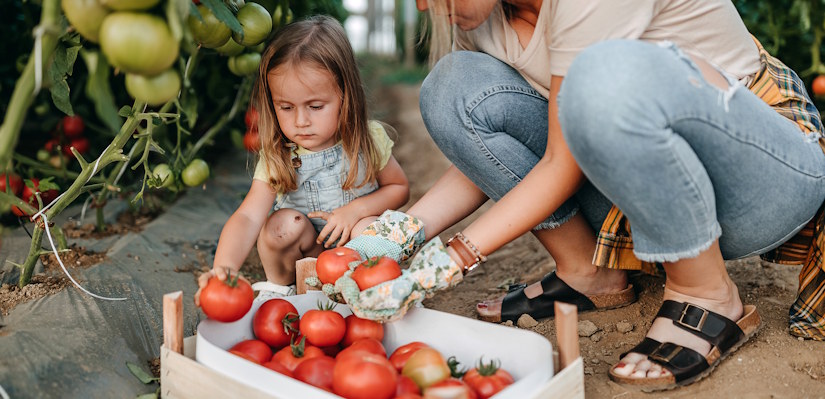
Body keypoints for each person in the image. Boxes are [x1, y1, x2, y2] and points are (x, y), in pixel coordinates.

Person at [332, 0, 825, 392]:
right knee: (453, 87)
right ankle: (589, 272)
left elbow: (557, 163)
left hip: (760, 178)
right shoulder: (484, 17)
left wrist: (451, 258)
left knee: (602, 75)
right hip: (645, 195)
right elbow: (495, 153)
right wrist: (399, 236)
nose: (422, 6)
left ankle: (706, 292)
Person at [195, 15, 409, 302]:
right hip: (305, 253)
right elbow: (248, 216)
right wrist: (224, 268)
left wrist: (358, 209)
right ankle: (284, 288)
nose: (300, 121)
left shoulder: (367, 140)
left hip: (355, 256)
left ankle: (370, 288)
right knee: (282, 225)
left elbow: (399, 188)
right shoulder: (279, 154)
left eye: (315, 106)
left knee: (367, 227)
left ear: (345, 95)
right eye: (286, 107)